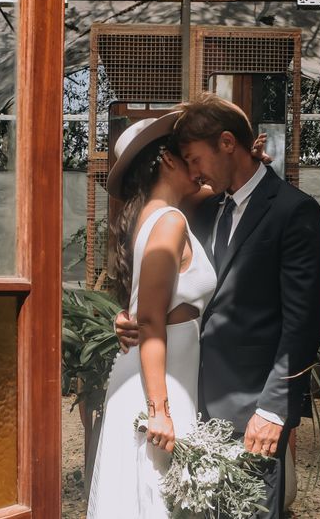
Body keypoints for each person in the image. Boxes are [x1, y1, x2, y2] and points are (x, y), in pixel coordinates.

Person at [115, 93, 320, 518]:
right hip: (193, 401)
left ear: (228, 143)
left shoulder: (294, 212)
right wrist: (130, 319)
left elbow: (303, 323)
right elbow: (170, 286)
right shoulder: (204, 211)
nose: (193, 172)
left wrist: (274, 408)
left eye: (195, 159)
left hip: (253, 410)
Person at [87, 111, 218, 518]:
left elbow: (213, 186)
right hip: (155, 385)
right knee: (154, 497)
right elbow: (149, 320)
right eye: (189, 158)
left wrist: (246, 160)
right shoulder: (170, 221)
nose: (199, 170)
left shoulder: (154, 215)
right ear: (166, 160)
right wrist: (159, 411)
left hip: (158, 374)